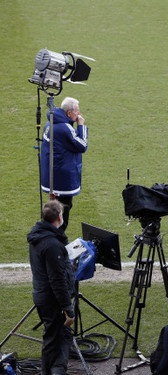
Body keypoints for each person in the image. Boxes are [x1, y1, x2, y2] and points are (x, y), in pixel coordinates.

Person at [27, 200, 75, 375]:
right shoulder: (52, 245)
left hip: (42, 294)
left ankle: (57, 370)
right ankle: (50, 371)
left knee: (62, 336)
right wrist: (67, 307)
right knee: (54, 340)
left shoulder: (38, 236)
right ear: (59, 217)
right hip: (52, 299)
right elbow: (57, 280)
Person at [40, 97, 88, 232]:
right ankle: (57, 240)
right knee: (62, 213)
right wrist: (81, 126)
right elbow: (82, 145)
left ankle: (49, 234)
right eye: (77, 111)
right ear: (69, 113)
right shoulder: (65, 128)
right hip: (62, 179)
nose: (79, 114)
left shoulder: (49, 123)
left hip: (52, 175)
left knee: (53, 210)